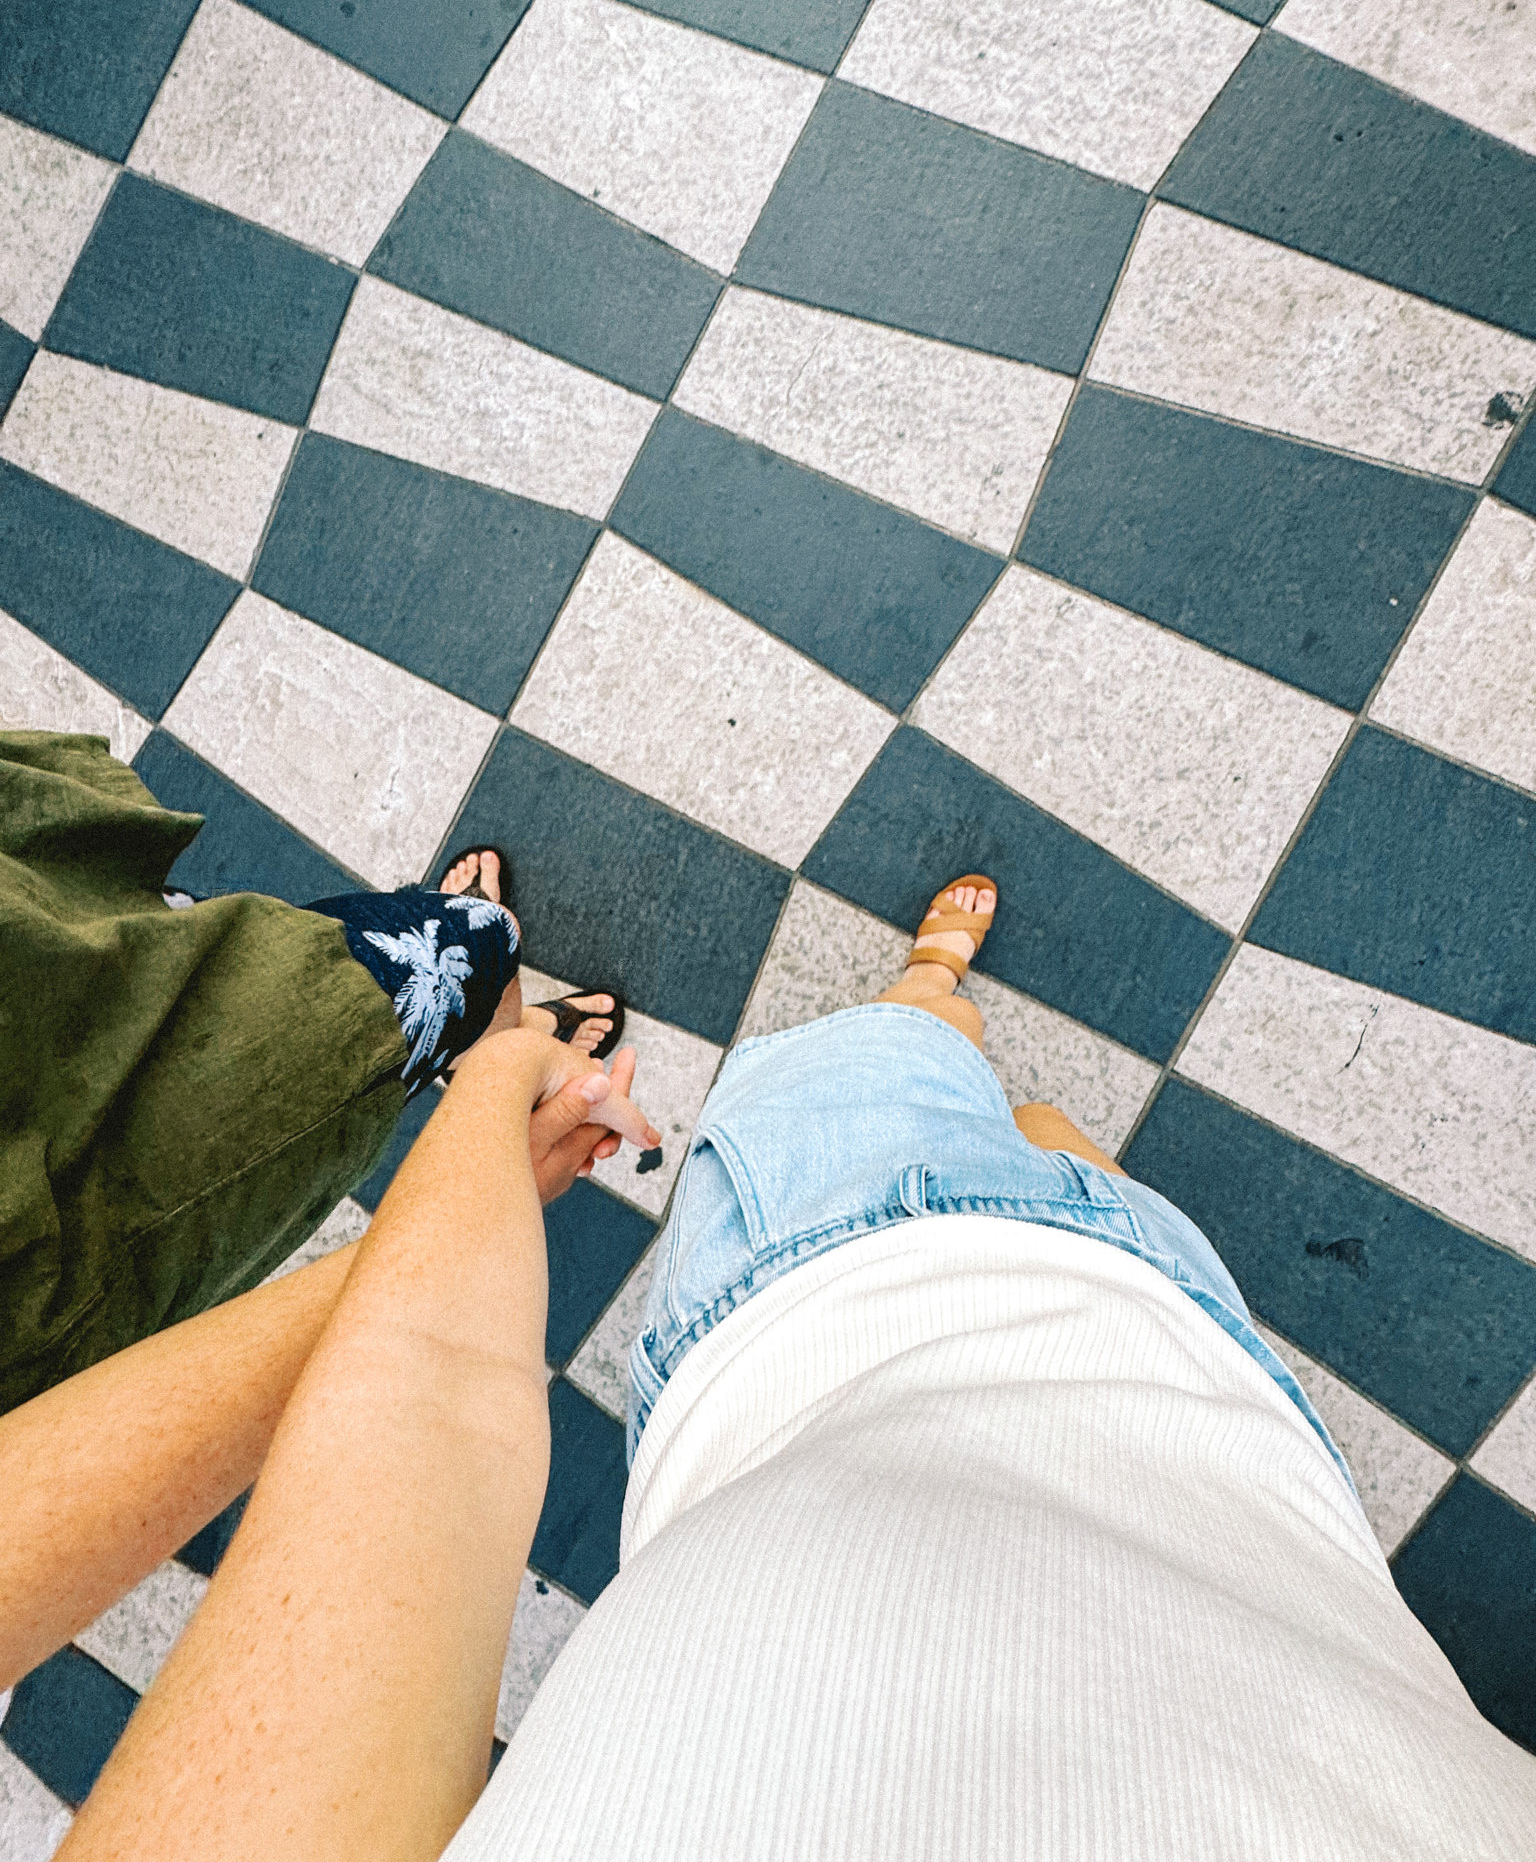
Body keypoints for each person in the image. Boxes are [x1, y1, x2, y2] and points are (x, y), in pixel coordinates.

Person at [20, 876, 1536, 1857]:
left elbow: (415, 1404)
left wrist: (478, 1142)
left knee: (972, 1104)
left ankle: (933, 998)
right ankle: (934, 999)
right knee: (1035, 1142)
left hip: (869, 1358)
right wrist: (490, 1110)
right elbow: (418, 1396)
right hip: (1131, 1404)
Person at [0, 729, 622, 1414]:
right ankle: (500, 1038)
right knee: (464, 949)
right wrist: (467, 1202)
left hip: (43, 974)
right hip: (85, 1189)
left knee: (188, 950)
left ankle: (484, 1039)